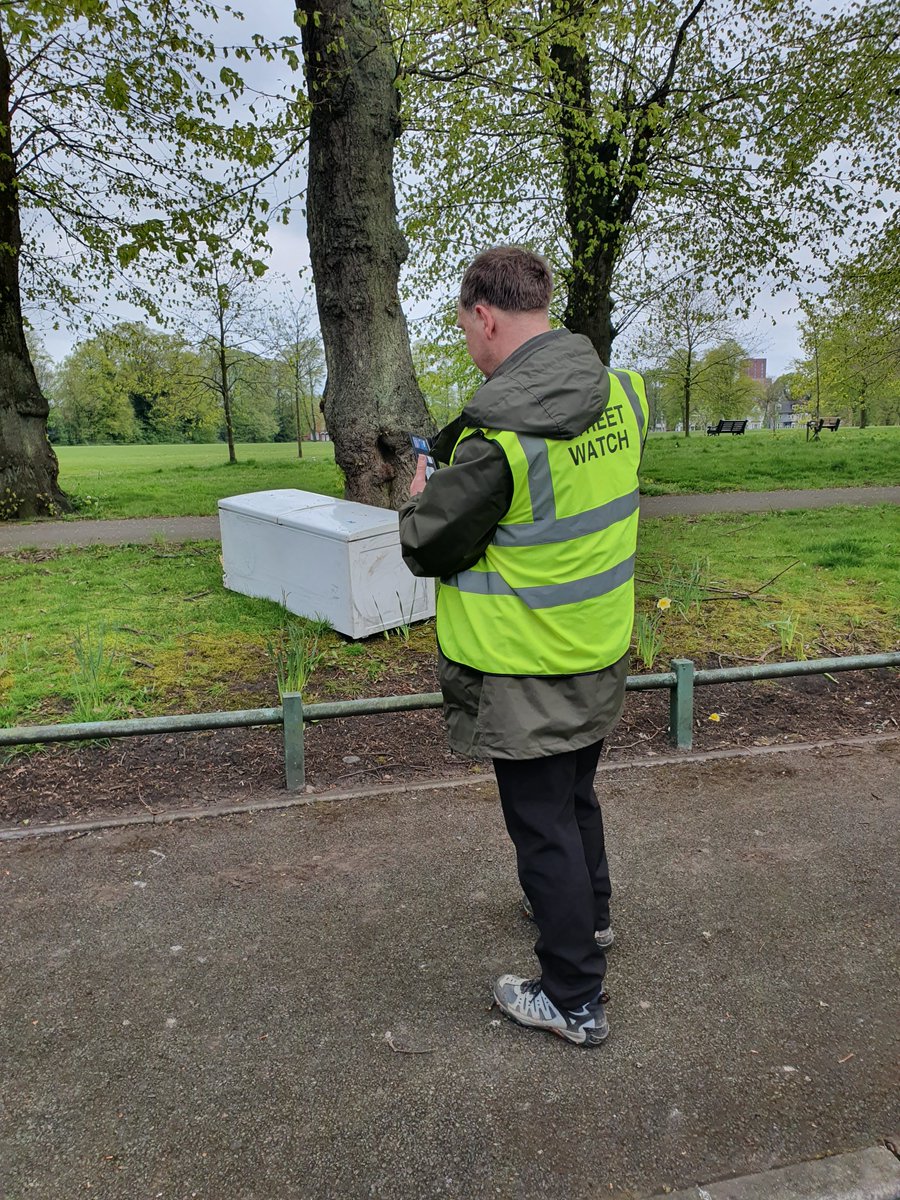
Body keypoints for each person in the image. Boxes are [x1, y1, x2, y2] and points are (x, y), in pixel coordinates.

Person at [398, 246, 648, 1048]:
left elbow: (429, 544)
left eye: (467, 328)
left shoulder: (497, 441)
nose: (470, 343)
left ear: (486, 316)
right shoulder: (626, 395)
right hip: (599, 646)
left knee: (541, 825)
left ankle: (574, 997)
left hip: (525, 665)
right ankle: (593, 917)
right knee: (575, 800)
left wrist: (419, 498)